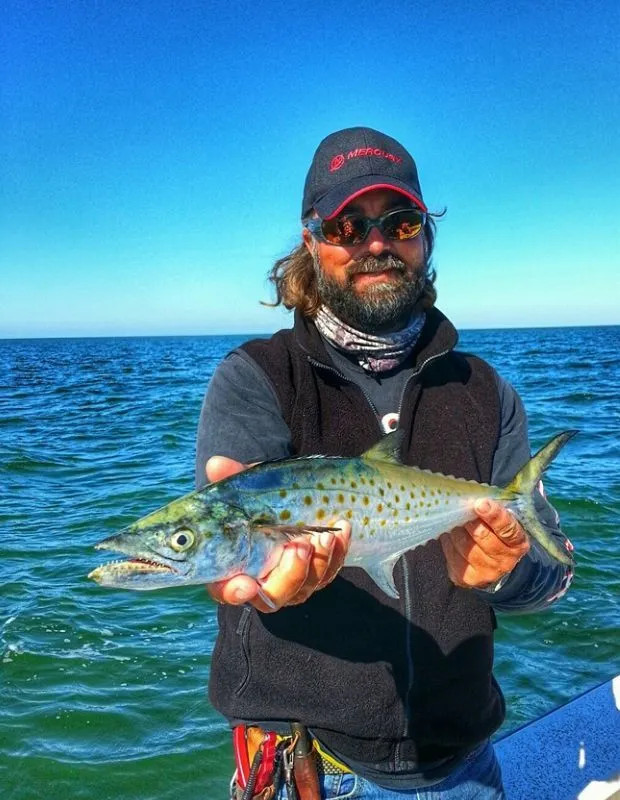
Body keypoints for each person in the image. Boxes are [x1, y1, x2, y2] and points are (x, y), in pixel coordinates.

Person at [195, 127, 574, 799]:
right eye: (346, 225)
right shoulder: (255, 378)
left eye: (398, 222)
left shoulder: (486, 392)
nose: (376, 244)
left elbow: (553, 578)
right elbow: (234, 538)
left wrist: (505, 573)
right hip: (309, 771)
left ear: (424, 237)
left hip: (465, 767)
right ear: (312, 242)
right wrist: (258, 575)